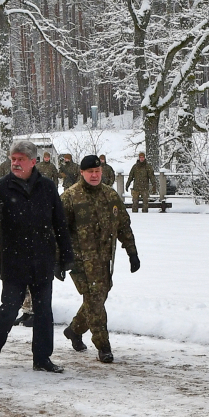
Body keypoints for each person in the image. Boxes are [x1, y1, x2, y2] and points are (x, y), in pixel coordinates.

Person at [0, 140, 73, 372]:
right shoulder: (1, 187)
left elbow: (60, 223)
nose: (16, 163)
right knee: (10, 307)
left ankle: (41, 358)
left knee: (43, 311)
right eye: (13, 159)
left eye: (21, 159)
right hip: (14, 259)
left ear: (33, 161)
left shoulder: (48, 187)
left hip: (42, 258)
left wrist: (66, 257)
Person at [61, 155, 138, 363]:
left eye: (97, 172)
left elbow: (123, 225)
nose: (94, 175)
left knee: (97, 298)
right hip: (79, 262)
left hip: (104, 260)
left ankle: (75, 330)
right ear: (82, 173)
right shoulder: (70, 197)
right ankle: (103, 345)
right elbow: (58, 231)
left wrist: (132, 252)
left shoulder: (110, 196)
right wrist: (59, 260)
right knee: (95, 301)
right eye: (90, 172)